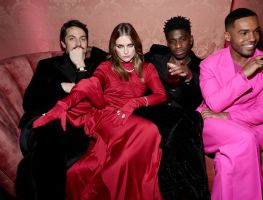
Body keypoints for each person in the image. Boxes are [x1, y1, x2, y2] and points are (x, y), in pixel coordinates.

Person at [32, 22, 166, 200]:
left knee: (120, 156)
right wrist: (62, 106)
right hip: (103, 115)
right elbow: (90, 85)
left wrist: (136, 102)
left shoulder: (146, 68)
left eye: (129, 45)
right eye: (120, 46)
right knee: (148, 130)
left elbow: (161, 95)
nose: (125, 51)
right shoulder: (106, 66)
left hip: (126, 116)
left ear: (136, 45)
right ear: (114, 48)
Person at [15, 20, 107, 200]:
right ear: (63, 44)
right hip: (42, 124)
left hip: (76, 131)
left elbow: (92, 101)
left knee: (31, 167)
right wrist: (61, 87)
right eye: (72, 38)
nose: (79, 43)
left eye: (83, 39)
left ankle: (28, 171)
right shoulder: (47, 65)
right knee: (50, 132)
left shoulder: (97, 66)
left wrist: (81, 66)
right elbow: (30, 100)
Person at [197, 8, 263, 200]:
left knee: (228, 162)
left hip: (248, 124)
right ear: (228, 35)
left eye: (256, 31)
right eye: (244, 33)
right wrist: (244, 74)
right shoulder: (209, 65)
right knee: (244, 139)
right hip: (212, 123)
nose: (252, 38)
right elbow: (215, 104)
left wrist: (229, 116)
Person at [134, 16, 210, 199]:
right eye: (173, 41)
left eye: (183, 39)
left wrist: (189, 77)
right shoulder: (156, 57)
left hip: (179, 118)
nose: (178, 46)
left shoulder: (202, 66)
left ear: (190, 40)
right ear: (167, 43)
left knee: (188, 124)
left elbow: (195, 103)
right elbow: (130, 61)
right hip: (152, 112)